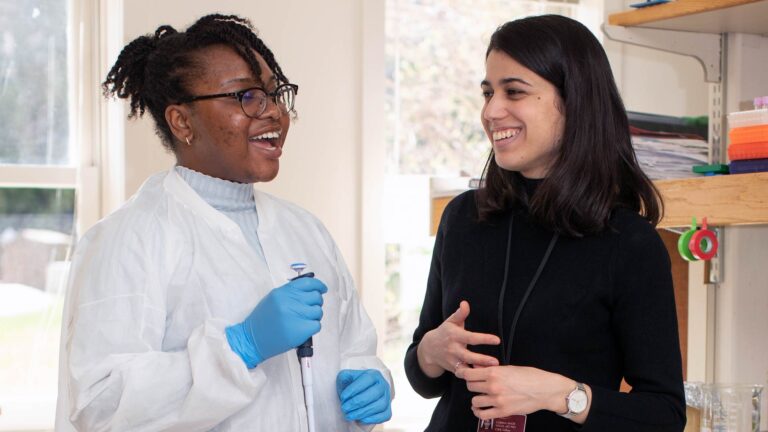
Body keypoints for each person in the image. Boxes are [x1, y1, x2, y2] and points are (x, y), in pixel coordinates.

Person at [55, 14, 392, 431]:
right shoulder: (128, 239)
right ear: (182, 122)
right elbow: (101, 404)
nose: (274, 113)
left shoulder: (304, 230)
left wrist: (371, 376)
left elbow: (355, 344)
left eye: (274, 93)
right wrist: (240, 348)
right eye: (247, 96)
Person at [404, 14, 685, 432]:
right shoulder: (462, 218)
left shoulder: (628, 243)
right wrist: (429, 351)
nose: (491, 111)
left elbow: (663, 416)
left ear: (575, 101)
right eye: (488, 92)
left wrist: (559, 395)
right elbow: (424, 378)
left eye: (513, 91)